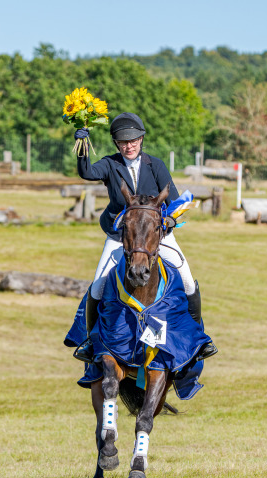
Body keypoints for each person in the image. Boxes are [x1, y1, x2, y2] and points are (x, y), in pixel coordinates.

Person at [71, 112, 217, 363]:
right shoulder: (110, 165)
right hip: (121, 237)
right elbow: (86, 172)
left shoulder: (156, 165)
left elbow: (177, 201)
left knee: (188, 281)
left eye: (133, 141)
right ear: (117, 144)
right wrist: (82, 147)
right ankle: (90, 341)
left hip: (154, 237)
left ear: (141, 140)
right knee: (98, 285)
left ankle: (197, 338)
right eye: (123, 143)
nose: (129, 146)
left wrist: (170, 220)